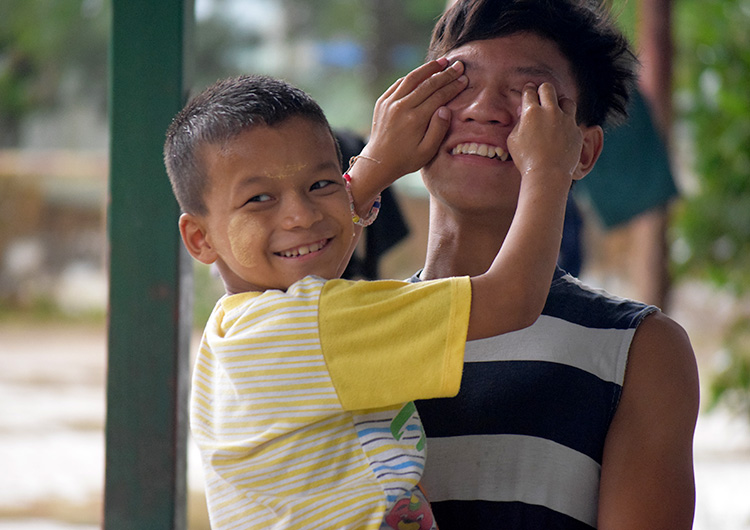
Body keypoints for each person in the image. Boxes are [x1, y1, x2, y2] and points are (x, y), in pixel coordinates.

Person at [163, 59, 586, 529]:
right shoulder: (313, 325)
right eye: (259, 199)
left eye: (321, 184)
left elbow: (316, 248)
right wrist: (547, 169)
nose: (301, 216)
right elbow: (513, 299)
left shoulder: (237, 329)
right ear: (199, 239)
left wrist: (377, 162)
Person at [410, 1, 701, 529]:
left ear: (583, 152)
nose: (483, 109)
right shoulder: (348, 323)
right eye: (456, 83)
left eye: (531, 96)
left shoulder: (637, 351)